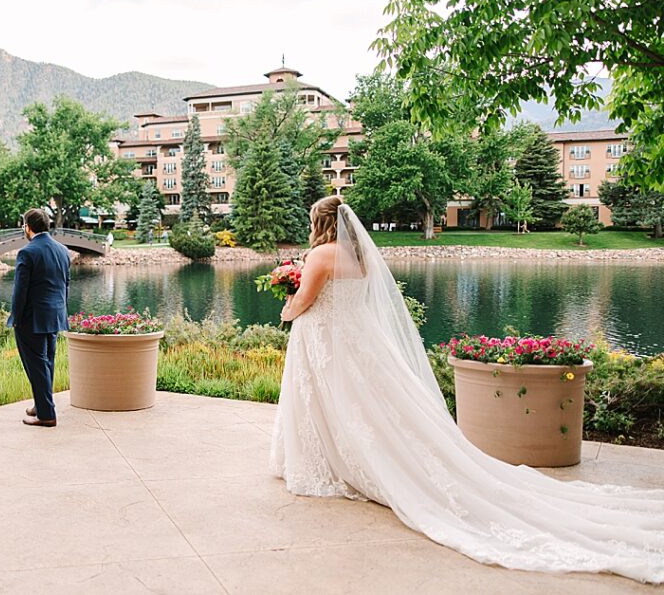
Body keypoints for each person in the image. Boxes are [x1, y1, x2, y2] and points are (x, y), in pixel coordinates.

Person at [271, 195, 664, 584]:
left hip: (328, 340)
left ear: (320, 223)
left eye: (311, 221)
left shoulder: (320, 254)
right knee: (365, 404)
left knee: (332, 402)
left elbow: (306, 300)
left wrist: (286, 305)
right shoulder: (362, 258)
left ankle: (334, 461)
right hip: (357, 343)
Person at [7, 208, 71, 427]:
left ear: (27, 227)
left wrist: (15, 317)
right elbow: (65, 285)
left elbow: (20, 291)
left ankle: (46, 415)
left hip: (32, 319)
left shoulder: (27, 252)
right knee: (47, 363)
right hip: (54, 316)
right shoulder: (63, 250)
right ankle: (41, 404)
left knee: (36, 365)